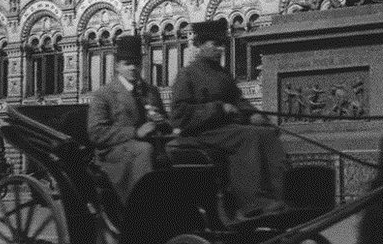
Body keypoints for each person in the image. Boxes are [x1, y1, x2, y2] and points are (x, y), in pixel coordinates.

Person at [170, 20, 289, 221]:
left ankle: (279, 195)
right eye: (214, 44)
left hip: (226, 130)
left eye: (221, 44)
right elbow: (179, 115)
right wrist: (218, 108)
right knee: (247, 136)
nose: (219, 49)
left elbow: (238, 100)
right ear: (200, 45)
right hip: (201, 133)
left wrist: (252, 114)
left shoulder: (223, 74)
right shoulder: (187, 74)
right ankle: (252, 202)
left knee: (267, 133)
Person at [87, 35, 169, 203]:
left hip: (153, 144)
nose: (133, 68)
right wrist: (135, 132)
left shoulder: (151, 91)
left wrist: (163, 123)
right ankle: (141, 208)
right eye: (127, 64)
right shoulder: (104, 94)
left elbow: (165, 120)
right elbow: (96, 133)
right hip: (113, 153)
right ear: (117, 66)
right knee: (144, 150)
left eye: (137, 63)